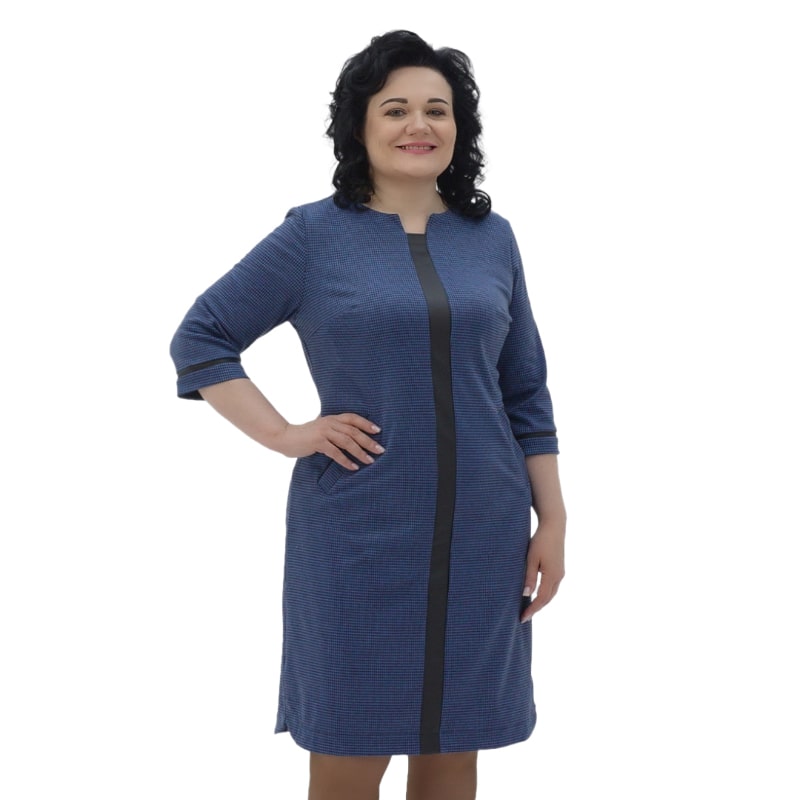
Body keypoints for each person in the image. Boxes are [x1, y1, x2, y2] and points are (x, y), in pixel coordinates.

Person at [170, 29, 567, 800]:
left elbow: (525, 390)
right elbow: (203, 336)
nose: (420, 125)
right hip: (358, 529)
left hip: (484, 531)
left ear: (459, 127)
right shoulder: (314, 236)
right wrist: (285, 433)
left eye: (437, 110)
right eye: (396, 109)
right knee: (349, 745)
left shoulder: (492, 240)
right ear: (360, 125)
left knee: (456, 744)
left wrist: (551, 519)